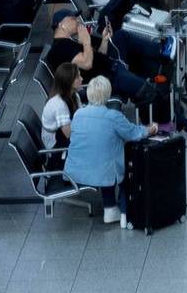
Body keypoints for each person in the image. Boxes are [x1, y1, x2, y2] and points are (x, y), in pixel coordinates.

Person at [62, 76, 160, 224]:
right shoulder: (113, 116)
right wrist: (150, 129)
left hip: (75, 172)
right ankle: (122, 211)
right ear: (108, 95)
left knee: (104, 155)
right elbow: (134, 133)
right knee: (122, 162)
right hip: (102, 173)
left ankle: (110, 207)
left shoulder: (78, 114)